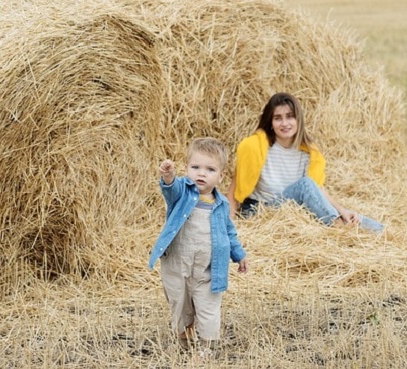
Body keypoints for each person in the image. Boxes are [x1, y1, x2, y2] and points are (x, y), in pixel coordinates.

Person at [148, 137, 248, 359]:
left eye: (210, 169)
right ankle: (184, 340)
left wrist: (239, 254)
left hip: (208, 270)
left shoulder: (221, 204)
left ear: (221, 176)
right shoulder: (183, 192)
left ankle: (207, 346)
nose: (201, 173)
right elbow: (170, 190)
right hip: (178, 264)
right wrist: (168, 177)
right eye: (195, 167)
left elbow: (229, 232)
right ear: (187, 169)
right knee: (180, 304)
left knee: (208, 307)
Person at [227, 92, 384, 232]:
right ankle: (338, 227)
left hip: (292, 212)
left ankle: (381, 232)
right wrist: (229, 228)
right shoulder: (255, 147)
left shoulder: (308, 153)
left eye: (290, 116)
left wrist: (342, 210)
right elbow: (234, 190)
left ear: (298, 119)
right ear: (270, 122)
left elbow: (316, 191)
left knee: (346, 213)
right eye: (277, 118)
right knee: (304, 185)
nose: (284, 123)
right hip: (262, 211)